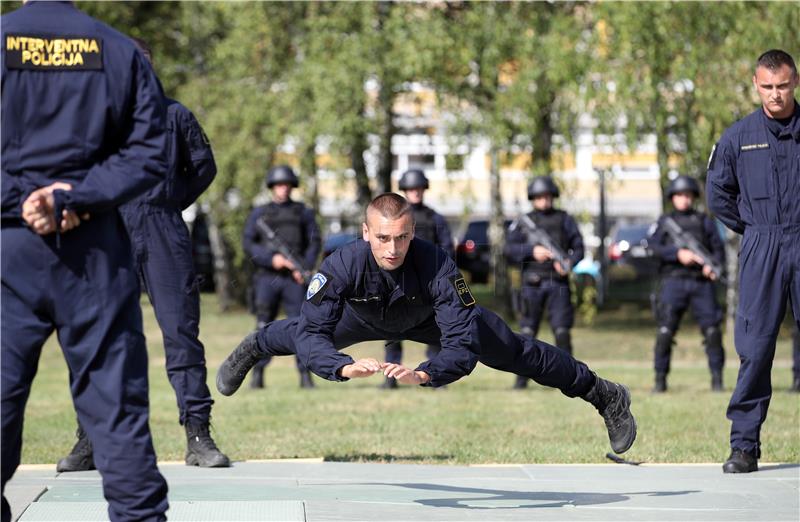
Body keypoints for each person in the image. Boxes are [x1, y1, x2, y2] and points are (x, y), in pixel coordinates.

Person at [217, 193, 637, 458]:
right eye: (382, 238)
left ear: (412, 231)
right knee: (293, 333)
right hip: (362, 315)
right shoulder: (341, 263)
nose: (392, 248)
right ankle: (254, 346)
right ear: (365, 233)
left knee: (517, 352)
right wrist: (342, 367)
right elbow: (312, 335)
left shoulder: (437, 263)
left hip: (427, 320)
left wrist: (427, 373)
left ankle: (605, 395)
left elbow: (461, 341)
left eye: (401, 237)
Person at [1, 2, 169, 521]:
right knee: (116, 412)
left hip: (8, 249)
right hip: (94, 250)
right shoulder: (117, 49)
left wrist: (24, 200)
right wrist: (74, 198)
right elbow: (150, 153)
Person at [56, 38, 229, 473]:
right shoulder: (96, 120)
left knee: (181, 335)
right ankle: (90, 439)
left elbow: (203, 167)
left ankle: (198, 436)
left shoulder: (175, 116)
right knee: (100, 337)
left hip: (162, 230)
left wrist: (169, 202)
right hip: (108, 232)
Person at [706, 49, 800, 474]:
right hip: (762, 245)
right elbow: (717, 193)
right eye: (767, 86)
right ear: (756, 85)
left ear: (794, 82)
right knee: (756, 348)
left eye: (782, 86)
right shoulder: (738, 136)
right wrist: (753, 230)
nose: (775, 94)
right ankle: (744, 446)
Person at [243, 165, 321, 389]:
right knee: (262, 325)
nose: (283, 189)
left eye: (286, 185)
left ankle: (305, 376)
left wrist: (303, 267)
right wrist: (271, 259)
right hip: (268, 278)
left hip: (294, 280)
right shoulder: (260, 213)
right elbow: (248, 243)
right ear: (272, 187)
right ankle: (257, 375)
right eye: (279, 185)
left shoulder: (302, 212)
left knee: (301, 326)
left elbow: (314, 241)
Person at [504, 176, 584, 389]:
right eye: (539, 197)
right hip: (532, 284)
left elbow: (579, 247)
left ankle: (570, 379)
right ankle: (521, 380)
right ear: (533, 198)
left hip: (558, 283)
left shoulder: (564, 219)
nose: (544, 200)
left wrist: (569, 262)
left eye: (547, 196)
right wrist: (532, 252)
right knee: (527, 334)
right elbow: (508, 250)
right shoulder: (523, 222)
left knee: (562, 332)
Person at [648, 175, 726, 393]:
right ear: (672, 197)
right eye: (680, 195)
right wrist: (677, 253)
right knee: (665, 331)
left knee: (712, 332)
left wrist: (713, 266)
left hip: (701, 283)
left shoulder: (704, 222)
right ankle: (660, 380)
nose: (684, 199)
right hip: (673, 282)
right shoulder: (664, 223)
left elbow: (718, 251)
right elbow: (652, 247)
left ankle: (717, 380)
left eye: (688, 195)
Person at [382, 169, 455, 389]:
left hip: (428, 283)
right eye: (411, 189)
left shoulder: (435, 218)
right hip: (398, 282)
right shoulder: (394, 218)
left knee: (435, 331)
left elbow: (447, 250)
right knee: (392, 331)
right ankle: (390, 378)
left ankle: (434, 376)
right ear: (404, 191)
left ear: (424, 190)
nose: (415, 193)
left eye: (419, 189)